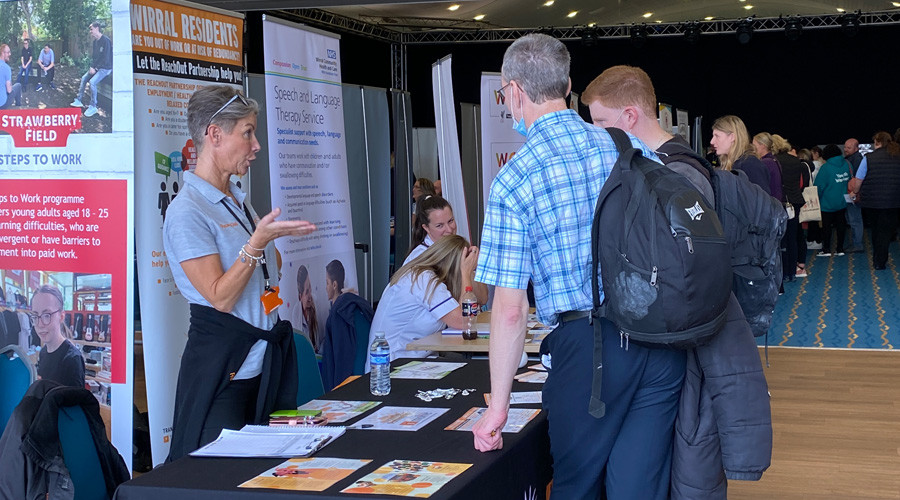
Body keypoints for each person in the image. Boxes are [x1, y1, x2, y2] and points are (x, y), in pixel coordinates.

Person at [472, 35, 685, 499]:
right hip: (659, 339)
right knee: (637, 490)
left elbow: (510, 309)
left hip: (590, 354)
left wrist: (498, 409)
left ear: (512, 93)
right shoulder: (625, 145)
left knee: (576, 488)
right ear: (568, 84)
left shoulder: (515, 178)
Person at [581, 65, 773, 495]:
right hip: (675, 346)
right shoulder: (663, 166)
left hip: (681, 350)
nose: (593, 134)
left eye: (599, 122)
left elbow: (686, 279)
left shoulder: (676, 175)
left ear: (629, 116)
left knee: (676, 471)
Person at [163, 85, 316, 461]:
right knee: (220, 479)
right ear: (214, 134)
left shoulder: (237, 199)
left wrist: (267, 246)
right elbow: (220, 296)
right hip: (225, 373)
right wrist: (257, 243)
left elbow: (268, 275)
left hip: (262, 367)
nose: (256, 144)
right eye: (247, 132)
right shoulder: (188, 211)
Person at [368, 234, 478, 361]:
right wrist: (465, 272)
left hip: (418, 358)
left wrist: (470, 271)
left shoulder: (428, 277)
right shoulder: (424, 279)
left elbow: (483, 297)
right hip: (392, 364)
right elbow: (463, 321)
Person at [406, 194, 489, 305]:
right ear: (426, 228)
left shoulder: (458, 249)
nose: (449, 230)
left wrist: (469, 270)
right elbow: (461, 314)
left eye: (450, 221)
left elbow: (482, 299)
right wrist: (465, 271)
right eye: (440, 225)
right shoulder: (421, 259)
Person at [320, 259, 375, 391]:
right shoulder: (355, 306)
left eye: (327, 283)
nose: (325, 287)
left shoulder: (338, 315)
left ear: (334, 285)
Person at [852, 131, 900, 270]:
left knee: (876, 230)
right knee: (886, 231)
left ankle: (878, 259)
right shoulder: (898, 156)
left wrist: (855, 192)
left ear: (877, 142)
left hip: (872, 201)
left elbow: (859, 180)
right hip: (893, 201)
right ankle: (881, 259)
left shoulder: (868, 158)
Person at [772, 135, 810, 281]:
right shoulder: (796, 161)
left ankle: (782, 270)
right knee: (793, 237)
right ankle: (791, 272)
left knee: (780, 239)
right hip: (795, 202)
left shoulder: (773, 162)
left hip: (780, 202)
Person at [31, 285, 85, 388]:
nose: (40, 324)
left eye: (47, 315)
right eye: (35, 316)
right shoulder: (43, 352)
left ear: (61, 316)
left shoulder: (72, 360)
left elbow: (75, 402)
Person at [709, 115, 770, 193]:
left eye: (717, 136)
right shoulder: (730, 163)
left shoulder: (750, 164)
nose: (712, 141)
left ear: (732, 137)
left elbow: (761, 201)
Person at [814, 144, 850, 257]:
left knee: (826, 227)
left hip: (827, 203)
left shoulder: (826, 168)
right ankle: (840, 248)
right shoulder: (847, 164)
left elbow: (818, 186)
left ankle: (826, 249)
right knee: (841, 226)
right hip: (842, 201)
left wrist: (817, 199)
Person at [70, 21, 112, 118]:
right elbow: (95, 57)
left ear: (97, 28)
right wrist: (92, 67)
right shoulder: (95, 42)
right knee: (84, 78)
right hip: (97, 67)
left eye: (91, 29)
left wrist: (96, 68)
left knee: (92, 82)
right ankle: (79, 100)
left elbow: (106, 59)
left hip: (106, 68)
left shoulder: (106, 41)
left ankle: (93, 106)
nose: (90, 32)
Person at [843, 138, 865, 253]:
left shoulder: (856, 160)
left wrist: (855, 192)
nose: (845, 149)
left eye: (849, 148)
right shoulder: (853, 158)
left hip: (854, 193)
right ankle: (856, 243)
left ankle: (857, 244)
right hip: (853, 193)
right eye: (845, 147)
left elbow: (858, 179)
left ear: (856, 148)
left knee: (855, 219)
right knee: (853, 219)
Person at [292, 265, 319, 351]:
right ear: (300, 296)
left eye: (310, 288)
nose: (310, 296)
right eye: (307, 292)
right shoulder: (296, 312)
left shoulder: (315, 301)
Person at [752, 132, 784, 202]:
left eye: (754, 145)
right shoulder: (773, 160)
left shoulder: (765, 163)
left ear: (763, 146)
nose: (753, 149)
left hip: (769, 203)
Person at [0, 44, 23, 109]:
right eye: (8, 52)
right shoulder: (6, 68)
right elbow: (9, 90)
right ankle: (18, 107)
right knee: (18, 85)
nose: (10, 54)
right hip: (2, 104)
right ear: (2, 53)